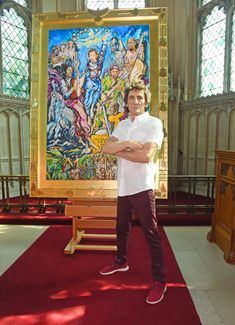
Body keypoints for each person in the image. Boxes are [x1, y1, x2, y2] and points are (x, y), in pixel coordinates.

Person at [99, 80, 166, 304]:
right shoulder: (122, 125)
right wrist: (127, 143)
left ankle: (159, 281)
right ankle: (121, 262)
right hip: (124, 185)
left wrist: (119, 150)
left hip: (142, 186)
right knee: (122, 227)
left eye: (139, 98)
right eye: (131, 98)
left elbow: (145, 156)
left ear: (145, 101)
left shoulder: (154, 124)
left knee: (151, 233)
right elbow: (105, 148)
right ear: (126, 102)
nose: (135, 102)